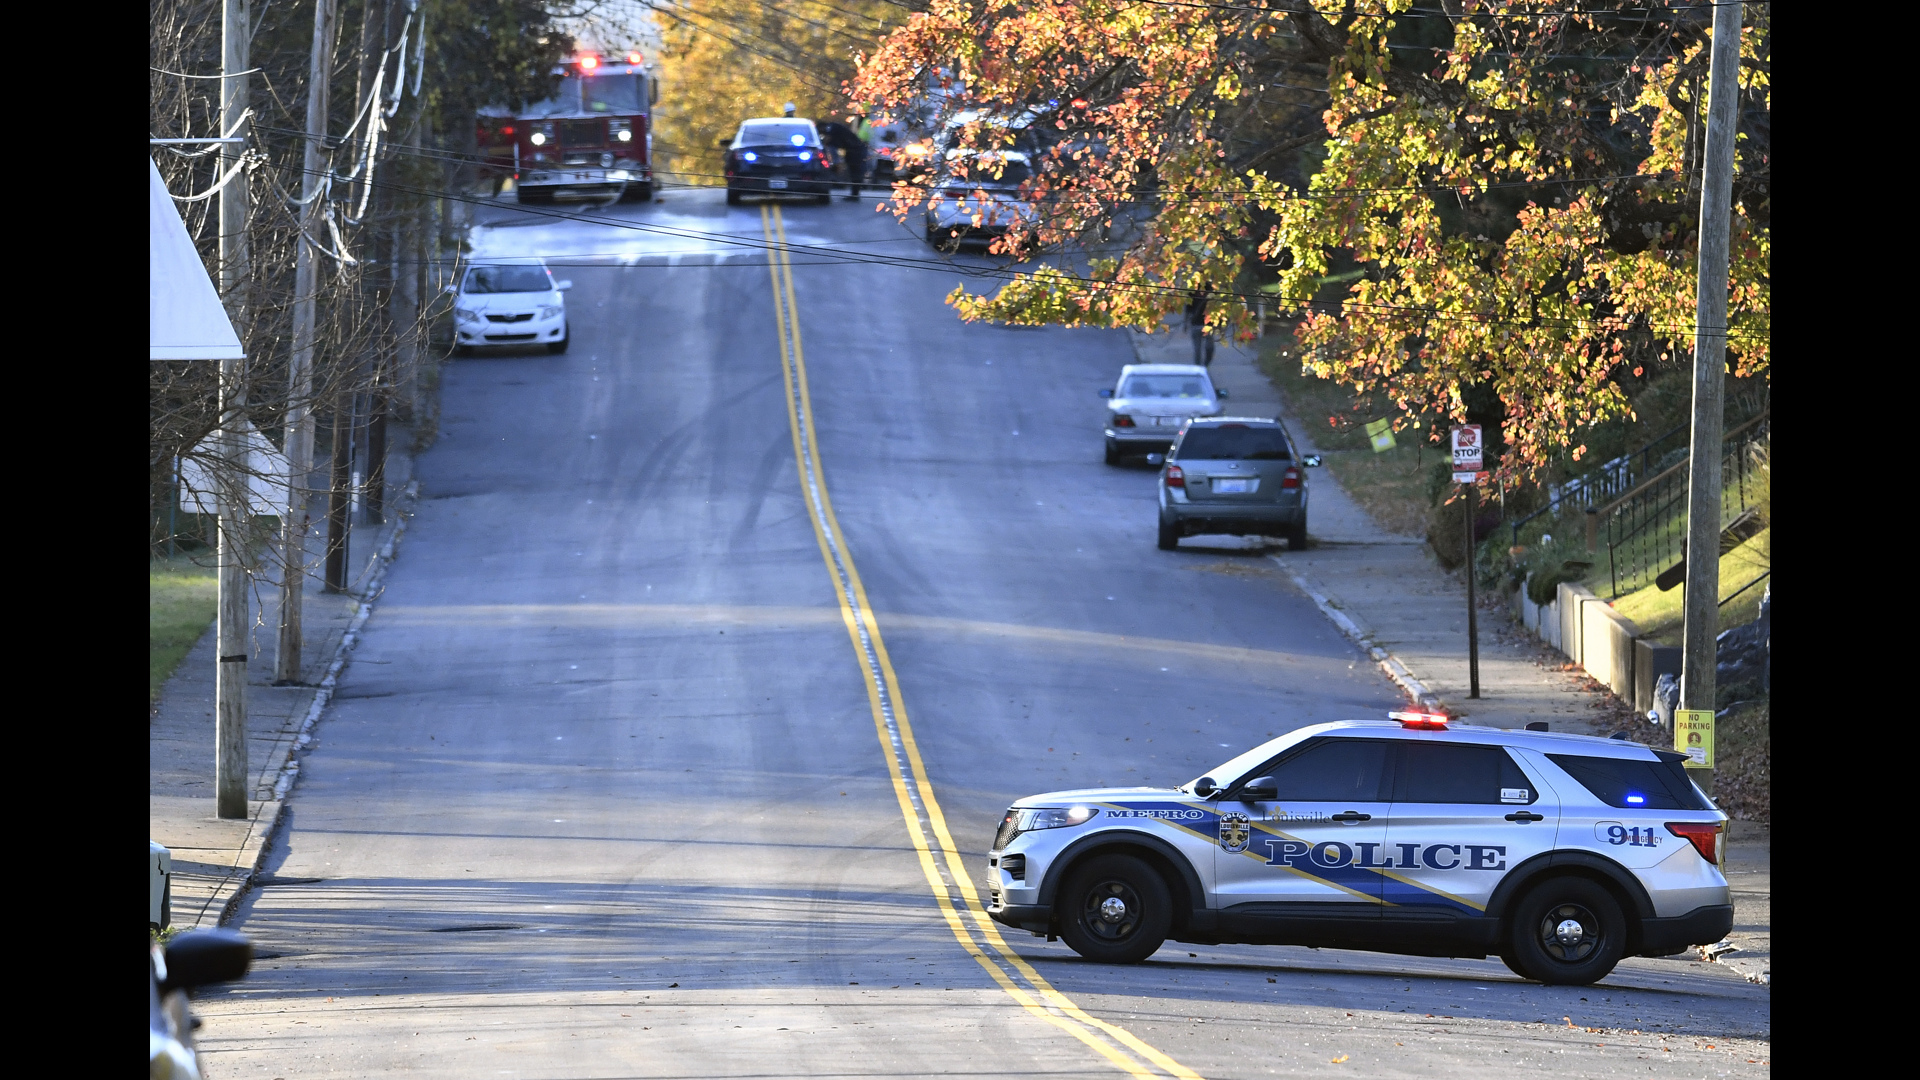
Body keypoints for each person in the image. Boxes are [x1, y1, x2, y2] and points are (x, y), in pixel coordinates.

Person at [817, 116, 868, 199]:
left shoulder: (831, 128)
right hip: (853, 150)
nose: (823, 134)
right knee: (854, 172)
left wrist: (836, 164)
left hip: (856, 150)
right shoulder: (833, 131)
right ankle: (854, 194)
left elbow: (829, 142)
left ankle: (855, 194)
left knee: (856, 172)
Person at [1185, 288, 1214, 366]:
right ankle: (1198, 367)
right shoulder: (1192, 292)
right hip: (1196, 323)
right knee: (1198, 349)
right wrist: (1186, 323)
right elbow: (1188, 309)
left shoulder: (1209, 288)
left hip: (1207, 325)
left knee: (1209, 347)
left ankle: (1205, 364)